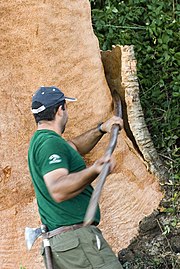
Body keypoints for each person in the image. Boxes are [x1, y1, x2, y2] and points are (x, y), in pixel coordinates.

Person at [28, 86, 123, 269]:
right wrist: (94, 169)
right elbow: (58, 189)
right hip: (78, 242)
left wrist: (101, 129)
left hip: (67, 244)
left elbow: (74, 148)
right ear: (60, 110)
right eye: (65, 108)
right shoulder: (49, 144)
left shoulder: (43, 141)